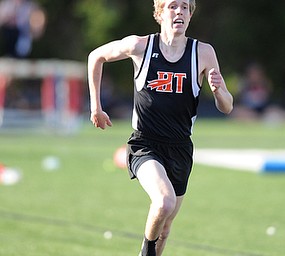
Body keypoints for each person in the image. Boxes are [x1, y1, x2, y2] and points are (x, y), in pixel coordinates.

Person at [87, 0, 233, 255]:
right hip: (145, 144)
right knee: (163, 202)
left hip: (180, 149)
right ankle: (146, 250)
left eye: (186, 7)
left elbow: (227, 107)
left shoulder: (204, 53)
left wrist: (219, 90)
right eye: (173, 6)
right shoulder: (139, 46)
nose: (180, 12)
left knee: (165, 229)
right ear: (160, 13)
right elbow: (95, 57)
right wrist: (95, 107)